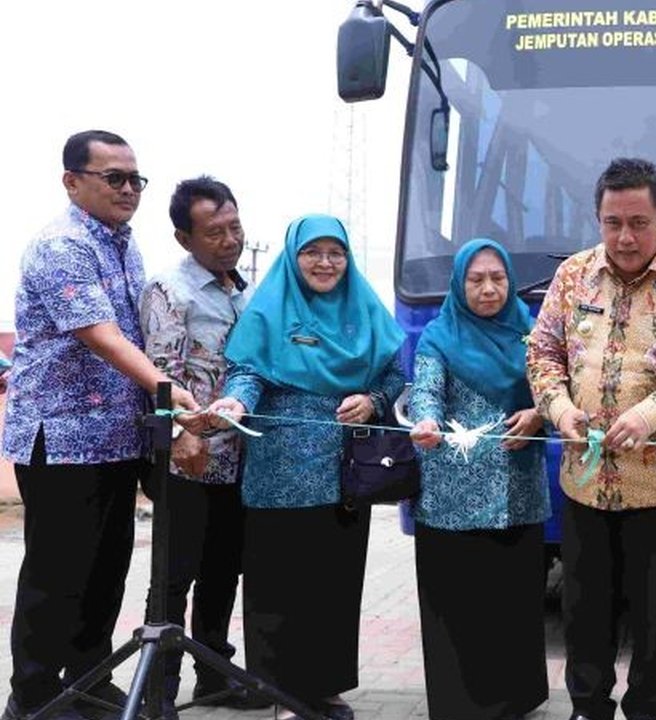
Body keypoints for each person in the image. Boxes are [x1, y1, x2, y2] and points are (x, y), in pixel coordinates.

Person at [2, 130, 200, 720]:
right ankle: (33, 696)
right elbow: (103, 336)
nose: (129, 189)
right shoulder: (61, 245)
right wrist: (169, 391)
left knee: (106, 571)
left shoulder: (123, 244)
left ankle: (88, 680)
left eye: (136, 179)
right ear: (72, 181)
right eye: (114, 177)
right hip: (62, 440)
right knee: (57, 574)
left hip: (115, 437)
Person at [526, 157, 656, 720]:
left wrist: (649, 415)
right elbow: (542, 351)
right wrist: (560, 409)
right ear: (598, 219)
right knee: (583, 606)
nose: (625, 237)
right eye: (612, 223)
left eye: (639, 223)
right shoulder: (573, 275)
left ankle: (647, 708)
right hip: (585, 480)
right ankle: (587, 706)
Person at [206, 214, 406, 720]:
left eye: (335, 252)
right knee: (278, 588)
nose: (325, 262)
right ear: (294, 257)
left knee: (333, 588)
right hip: (280, 476)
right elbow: (247, 371)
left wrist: (372, 400)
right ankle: (282, 694)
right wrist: (235, 402)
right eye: (312, 252)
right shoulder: (269, 310)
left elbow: (393, 374)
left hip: (345, 475)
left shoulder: (364, 309)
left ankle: (325, 688)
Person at [138, 176, 268, 715]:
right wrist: (182, 434)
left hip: (237, 460)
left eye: (235, 227)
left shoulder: (246, 292)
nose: (230, 240)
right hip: (185, 459)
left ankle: (215, 677)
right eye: (214, 232)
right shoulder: (169, 290)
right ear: (184, 238)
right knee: (175, 575)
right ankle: (158, 692)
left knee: (223, 571)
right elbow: (159, 375)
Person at [407, 238, 550, 720]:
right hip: (453, 498)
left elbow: (557, 389)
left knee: (511, 602)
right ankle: (462, 705)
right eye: (476, 280)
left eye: (497, 279)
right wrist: (426, 421)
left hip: (517, 493)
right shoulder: (438, 336)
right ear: (459, 283)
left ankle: (515, 699)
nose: (488, 289)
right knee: (460, 604)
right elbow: (426, 390)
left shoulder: (531, 333)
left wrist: (538, 413)